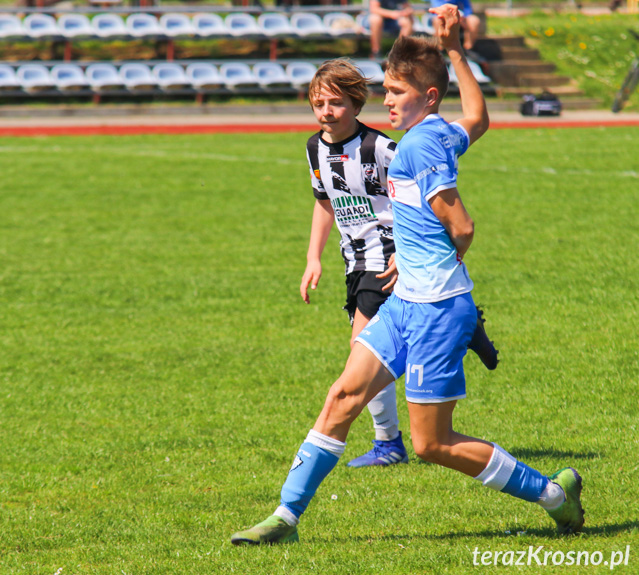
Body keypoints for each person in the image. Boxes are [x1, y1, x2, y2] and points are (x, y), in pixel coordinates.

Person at [230, 5, 584, 545]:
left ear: (427, 97)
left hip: (438, 308)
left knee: (431, 445)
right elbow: (481, 120)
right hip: (403, 304)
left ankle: (553, 494)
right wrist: (458, 54)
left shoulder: (418, 145)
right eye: (388, 91)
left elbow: (461, 225)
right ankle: (285, 516)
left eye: (396, 92)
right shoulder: (439, 131)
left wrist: (436, 260)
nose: (387, 101)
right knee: (343, 396)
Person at [299, 59, 498, 469]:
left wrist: (408, 254)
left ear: (356, 104)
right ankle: (467, 327)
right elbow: (325, 203)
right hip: (354, 261)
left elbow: (417, 199)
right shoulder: (314, 148)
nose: (326, 112)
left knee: (361, 352)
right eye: (318, 104)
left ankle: (388, 442)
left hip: (387, 260)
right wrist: (312, 257)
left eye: (335, 103)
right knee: (370, 353)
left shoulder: (383, 148)